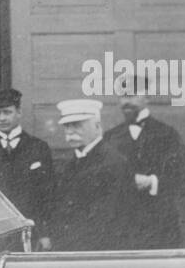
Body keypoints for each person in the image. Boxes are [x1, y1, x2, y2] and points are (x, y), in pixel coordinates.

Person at [103, 79, 185, 249]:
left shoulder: (167, 134)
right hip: (121, 229)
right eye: (122, 96)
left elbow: (183, 179)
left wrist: (152, 182)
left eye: (132, 95)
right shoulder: (110, 137)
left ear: (147, 97)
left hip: (160, 225)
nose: (126, 101)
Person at [43, 99, 130, 252]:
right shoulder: (71, 164)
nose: (69, 131)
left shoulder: (113, 162)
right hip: (71, 249)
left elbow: (107, 216)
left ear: (97, 126)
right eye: (67, 126)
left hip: (98, 251)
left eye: (77, 125)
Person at [0, 88, 52, 232]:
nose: (2, 118)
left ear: (19, 112)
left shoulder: (38, 147)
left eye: (7, 112)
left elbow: (47, 194)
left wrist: (44, 233)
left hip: (31, 227)